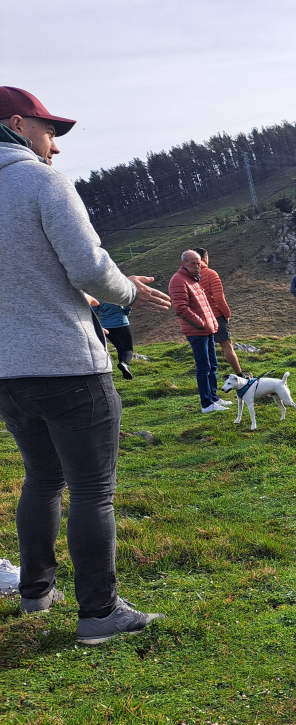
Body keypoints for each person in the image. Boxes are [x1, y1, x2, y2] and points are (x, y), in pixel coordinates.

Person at [0, 85, 169, 643]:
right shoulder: (42, 182)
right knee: (93, 490)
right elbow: (89, 267)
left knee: (41, 479)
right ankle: (98, 614)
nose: (56, 145)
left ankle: (35, 593)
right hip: (67, 363)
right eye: (51, 131)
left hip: (8, 370)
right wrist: (128, 293)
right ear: (20, 125)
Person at [169, 250, 226, 414]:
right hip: (197, 331)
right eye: (193, 263)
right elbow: (180, 308)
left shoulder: (193, 279)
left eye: (198, 263)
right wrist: (201, 324)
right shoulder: (178, 280)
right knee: (204, 367)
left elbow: (204, 305)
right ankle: (206, 403)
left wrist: (211, 323)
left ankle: (214, 397)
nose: (197, 266)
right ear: (184, 264)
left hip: (206, 329)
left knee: (212, 364)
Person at [195, 247, 242, 375]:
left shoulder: (186, 277)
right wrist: (227, 314)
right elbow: (218, 298)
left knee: (204, 350)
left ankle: (207, 377)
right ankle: (239, 374)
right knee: (227, 345)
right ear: (204, 258)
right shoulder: (210, 273)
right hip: (215, 316)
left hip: (196, 318)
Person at [95, 301, 134, 379]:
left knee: (119, 348)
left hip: (106, 326)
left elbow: (94, 311)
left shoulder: (97, 295)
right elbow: (126, 309)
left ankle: (125, 372)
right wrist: (128, 309)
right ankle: (124, 363)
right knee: (128, 348)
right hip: (121, 323)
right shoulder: (115, 295)